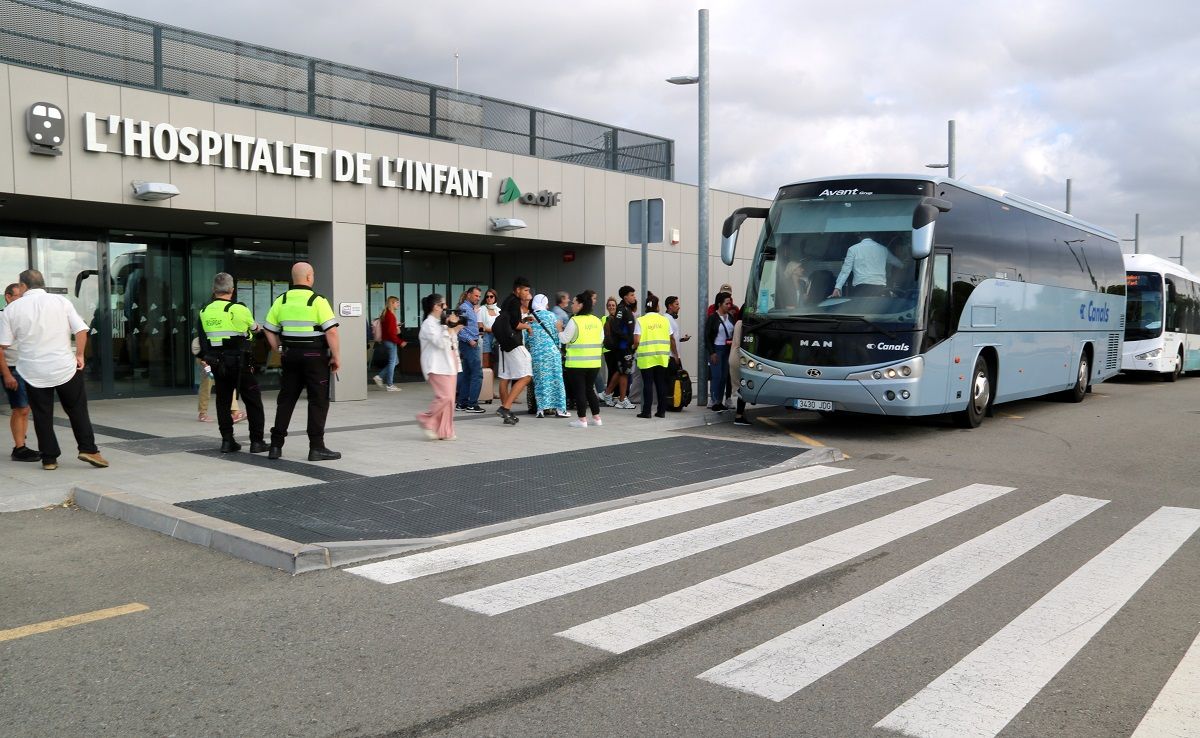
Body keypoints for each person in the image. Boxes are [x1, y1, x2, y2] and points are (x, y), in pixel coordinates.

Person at [0, 270, 107, 471]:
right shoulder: (61, 302)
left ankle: (49, 459)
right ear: (42, 284)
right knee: (77, 410)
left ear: (22, 285)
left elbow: (3, 344)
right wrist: (80, 355)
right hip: (64, 367)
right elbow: (81, 329)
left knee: (42, 415)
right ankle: (89, 450)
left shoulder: (12, 309)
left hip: (33, 371)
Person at [262, 262, 342, 461]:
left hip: (290, 356)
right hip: (315, 358)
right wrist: (336, 356)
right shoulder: (317, 300)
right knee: (318, 401)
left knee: (286, 400)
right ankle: (316, 447)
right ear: (309, 277)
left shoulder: (282, 300)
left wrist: (279, 349)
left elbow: (268, 329)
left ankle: (275, 446)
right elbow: (331, 331)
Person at [196, 272, 267, 454]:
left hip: (218, 363)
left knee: (223, 402)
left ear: (214, 290)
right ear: (232, 290)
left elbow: (204, 339)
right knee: (253, 401)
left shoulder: (204, 312)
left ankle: (227, 441)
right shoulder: (238, 309)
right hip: (240, 363)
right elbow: (254, 329)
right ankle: (256, 442)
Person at [0, 283, 39, 462]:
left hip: (25, 366)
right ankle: (19, 448)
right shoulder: (3, 317)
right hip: (12, 368)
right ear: (8, 297)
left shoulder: (21, 316)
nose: (22, 301)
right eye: (18, 297)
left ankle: (21, 444)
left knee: (24, 409)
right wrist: (7, 374)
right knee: (20, 408)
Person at [416, 293, 463, 441]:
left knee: (450, 401)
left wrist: (455, 328)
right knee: (445, 397)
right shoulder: (428, 324)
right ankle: (426, 419)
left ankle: (445, 431)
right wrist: (449, 327)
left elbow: (451, 340)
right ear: (436, 307)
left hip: (450, 363)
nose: (446, 308)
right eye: (444, 305)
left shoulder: (440, 322)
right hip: (436, 366)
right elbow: (440, 342)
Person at [493, 276, 534, 425]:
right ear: (518, 290)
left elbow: (510, 322)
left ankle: (507, 412)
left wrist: (523, 322)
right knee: (527, 376)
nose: (527, 293)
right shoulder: (515, 302)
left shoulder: (506, 300)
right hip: (514, 343)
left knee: (505, 377)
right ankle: (505, 408)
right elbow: (516, 325)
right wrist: (528, 326)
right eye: (526, 290)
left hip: (504, 344)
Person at [560, 291, 603, 428]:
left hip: (577, 363)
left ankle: (582, 419)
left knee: (580, 391)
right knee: (589, 389)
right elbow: (601, 338)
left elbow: (565, 339)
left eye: (574, 302)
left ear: (580, 305)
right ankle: (596, 418)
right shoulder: (596, 320)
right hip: (594, 362)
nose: (572, 305)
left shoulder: (575, 320)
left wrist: (559, 330)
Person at [632, 292, 674, 418]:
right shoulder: (665, 320)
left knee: (648, 384)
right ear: (657, 307)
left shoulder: (641, 321)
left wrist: (633, 348)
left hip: (646, 357)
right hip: (661, 356)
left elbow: (637, 340)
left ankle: (646, 411)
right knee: (661, 383)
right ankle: (661, 411)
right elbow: (671, 337)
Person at [528, 294, 569, 418]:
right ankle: (560, 409)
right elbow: (558, 336)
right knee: (556, 380)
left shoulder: (529, 318)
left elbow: (526, 338)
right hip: (552, 353)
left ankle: (540, 409)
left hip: (537, 354)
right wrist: (558, 348)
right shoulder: (552, 316)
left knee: (540, 381)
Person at [830, 233, 902, 297]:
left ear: (859, 237)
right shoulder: (883, 249)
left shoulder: (853, 249)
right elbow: (898, 263)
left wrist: (838, 288)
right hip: (880, 289)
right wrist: (906, 263)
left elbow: (845, 271)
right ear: (873, 236)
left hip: (861, 289)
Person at [601, 286, 637, 409]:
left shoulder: (627, 308)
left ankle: (607, 394)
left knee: (620, 371)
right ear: (625, 296)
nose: (634, 297)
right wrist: (628, 339)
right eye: (632, 295)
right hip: (623, 347)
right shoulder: (621, 309)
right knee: (624, 372)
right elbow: (616, 327)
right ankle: (622, 399)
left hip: (626, 347)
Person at [195, 336, 243, 423]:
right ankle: (202, 413)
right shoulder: (205, 327)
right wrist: (203, 359)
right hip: (207, 358)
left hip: (219, 357)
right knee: (207, 384)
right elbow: (199, 344)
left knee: (228, 381)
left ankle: (235, 412)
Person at [454, 286, 485, 413]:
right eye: (476, 296)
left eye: (479, 296)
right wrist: (470, 340)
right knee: (477, 375)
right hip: (469, 345)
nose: (478, 298)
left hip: (469, 344)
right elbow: (458, 328)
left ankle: (462, 403)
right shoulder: (464, 309)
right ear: (468, 295)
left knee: (467, 374)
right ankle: (472, 404)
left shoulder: (469, 309)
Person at [704, 291, 735, 412]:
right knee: (716, 376)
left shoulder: (731, 317)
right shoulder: (713, 318)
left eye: (730, 303)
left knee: (724, 376)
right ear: (719, 304)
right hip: (717, 349)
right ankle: (715, 400)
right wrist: (712, 352)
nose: (729, 305)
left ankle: (720, 401)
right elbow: (707, 337)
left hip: (728, 350)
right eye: (727, 303)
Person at [371, 295, 403, 392]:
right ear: (392, 303)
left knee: (395, 361)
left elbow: (388, 329)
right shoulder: (390, 315)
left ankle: (379, 376)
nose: (399, 304)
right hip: (391, 342)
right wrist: (400, 341)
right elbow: (390, 332)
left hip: (386, 341)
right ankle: (390, 384)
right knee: (392, 362)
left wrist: (396, 326)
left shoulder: (386, 314)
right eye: (397, 302)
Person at [730, 303, 751, 426]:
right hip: (738, 357)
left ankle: (740, 414)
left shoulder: (738, 322)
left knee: (740, 387)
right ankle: (739, 416)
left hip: (734, 355)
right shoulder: (741, 324)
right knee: (742, 387)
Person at [477, 288, 501, 368]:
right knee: (485, 361)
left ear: (495, 298)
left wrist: (487, 329)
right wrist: (486, 330)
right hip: (485, 337)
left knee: (494, 361)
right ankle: (486, 379)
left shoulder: (499, 311)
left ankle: (491, 379)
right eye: (487, 297)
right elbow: (480, 328)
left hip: (497, 337)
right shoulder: (481, 309)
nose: (489, 298)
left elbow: (502, 327)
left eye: (491, 296)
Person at [664, 295, 691, 362]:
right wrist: (676, 355)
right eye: (676, 304)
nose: (679, 307)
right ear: (670, 306)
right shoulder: (666, 319)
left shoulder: (671, 319)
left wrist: (682, 339)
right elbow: (670, 339)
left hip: (673, 356)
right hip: (670, 357)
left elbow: (674, 337)